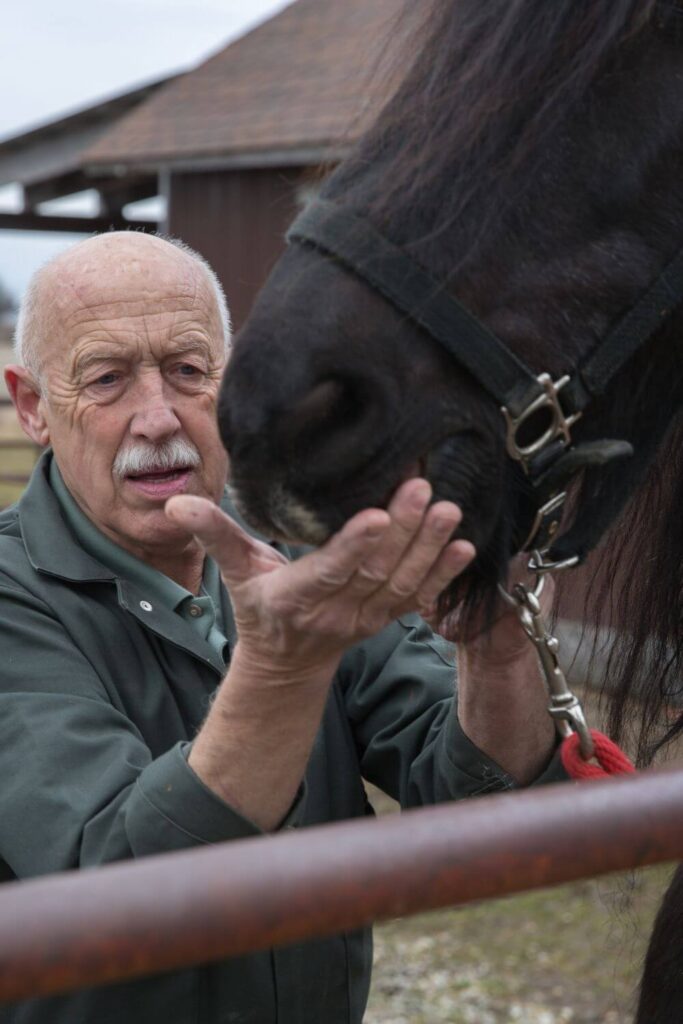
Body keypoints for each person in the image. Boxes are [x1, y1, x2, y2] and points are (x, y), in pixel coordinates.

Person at [0, 231, 562, 1023]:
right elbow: (117, 885)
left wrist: (493, 643)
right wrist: (281, 667)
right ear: (33, 407)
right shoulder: (12, 597)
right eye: (107, 378)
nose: (157, 417)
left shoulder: (300, 550)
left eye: (189, 371)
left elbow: (481, 798)